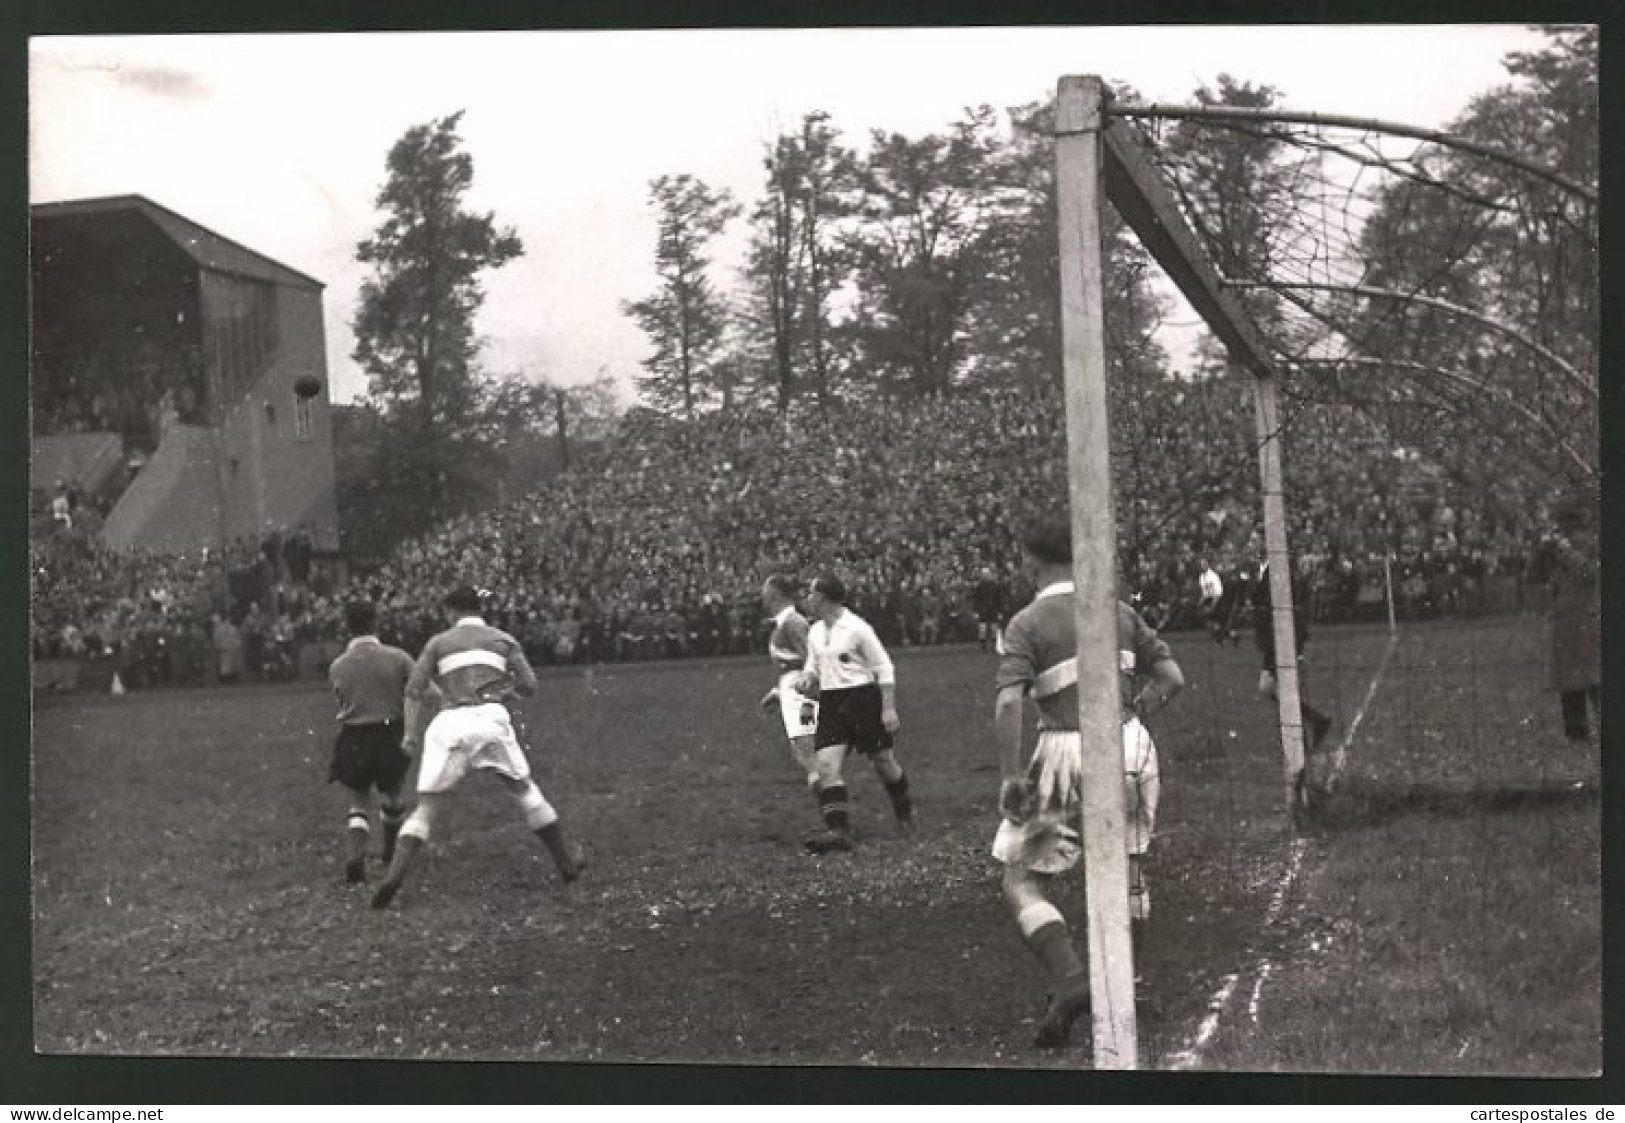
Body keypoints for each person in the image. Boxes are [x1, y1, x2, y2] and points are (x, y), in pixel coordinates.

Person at [991, 517, 1184, 1048]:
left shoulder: (1027, 622)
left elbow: (1009, 702)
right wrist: (1134, 713)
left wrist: (1012, 777)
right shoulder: (1119, 612)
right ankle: (1128, 985)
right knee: (1129, 868)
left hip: (1066, 751)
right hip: (1131, 743)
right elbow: (1173, 679)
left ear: (1031, 563)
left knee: (1024, 878)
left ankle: (1073, 981)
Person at [371, 586, 584, 909]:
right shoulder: (502, 639)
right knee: (524, 791)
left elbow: (413, 691)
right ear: (478, 609)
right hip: (490, 720)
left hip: (449, 722)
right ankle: (566, 862)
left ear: (451, 612)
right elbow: (529, 685)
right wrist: (502, 694)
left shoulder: (438, 643)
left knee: (426, 807)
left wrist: (410, 734)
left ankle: (393, 877)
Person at [795, 574, 914, 854]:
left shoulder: (858, 628)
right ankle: (839, 831)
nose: (808, 599)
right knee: (826, 766)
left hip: (862, 699)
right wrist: (807, 677)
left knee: (883, 761)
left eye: (812, 594)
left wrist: (888, 708)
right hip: (832, 703)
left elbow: (884, 667)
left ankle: (905, 814)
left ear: (823, 597)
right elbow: (813, 665)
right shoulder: (814, 631)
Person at [326, 600, 416, 885]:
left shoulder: (338, 666)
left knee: (358, 802)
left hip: (354, 735)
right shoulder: (398, 657)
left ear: (347, 627)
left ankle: (356, 856)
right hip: (390, 733)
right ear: (376, 622)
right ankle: (389, 850)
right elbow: (423, 690)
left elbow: (341, 700)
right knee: (392, 797)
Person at [1246, 559, 1334, 813]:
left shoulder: (1280, 572)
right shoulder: (1272, 571)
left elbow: (1290, 609)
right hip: (1277, 642)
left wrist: (1294, 645)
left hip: (1281, 643)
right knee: (1275, 693)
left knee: (1272, 692)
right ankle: (1314, 724)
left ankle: (1302, 763)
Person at [758, 574, 821, 812]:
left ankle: (836, 819)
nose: (762, 594)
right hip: (791, 690)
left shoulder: (792, 622)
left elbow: (811, 661)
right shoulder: (783, 622)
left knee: (808, 753)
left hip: (801, 692)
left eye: (765, 589)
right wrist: (779, 692)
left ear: (775, 593)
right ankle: (832, 813)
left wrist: (809, 697)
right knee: (803, 753)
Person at [1545, 492, 1599, 743]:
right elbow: (1533, 575)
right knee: (1568, 678)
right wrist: (1541, 551)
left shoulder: (1588, 543)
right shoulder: (1556, 547)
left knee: (1592, 675)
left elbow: (1589, 573)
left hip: (1585, 616)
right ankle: (1576, 732)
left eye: (1564, 522)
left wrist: (1566, 551)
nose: (1562, 528)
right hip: (1564, 618)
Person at [971, 567, 1009, 653]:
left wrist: (1000, 611)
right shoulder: (979, 587)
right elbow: (976, 600)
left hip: (993, 610)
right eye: (984, 574)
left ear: (990, 575)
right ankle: (983, 648)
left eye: (987, 574)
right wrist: (976, 611)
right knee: (982, 629)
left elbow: (999, 599)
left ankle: (993, 646)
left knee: (994, 628)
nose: (986, 575)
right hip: (982, 610)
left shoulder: (995, 586)